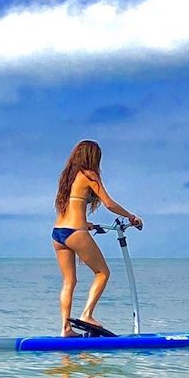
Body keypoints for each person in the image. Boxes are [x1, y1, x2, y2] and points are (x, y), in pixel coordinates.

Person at [51, 140, 143, 337]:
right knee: (102, 273)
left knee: (69, 281)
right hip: (75, 232)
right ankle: (87, 314)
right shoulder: (88, 175)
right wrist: (131, 217)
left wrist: (87, 225)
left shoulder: (67, 177)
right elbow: (109, 204)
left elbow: (70, 211)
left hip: (58, 233)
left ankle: (65, 329)